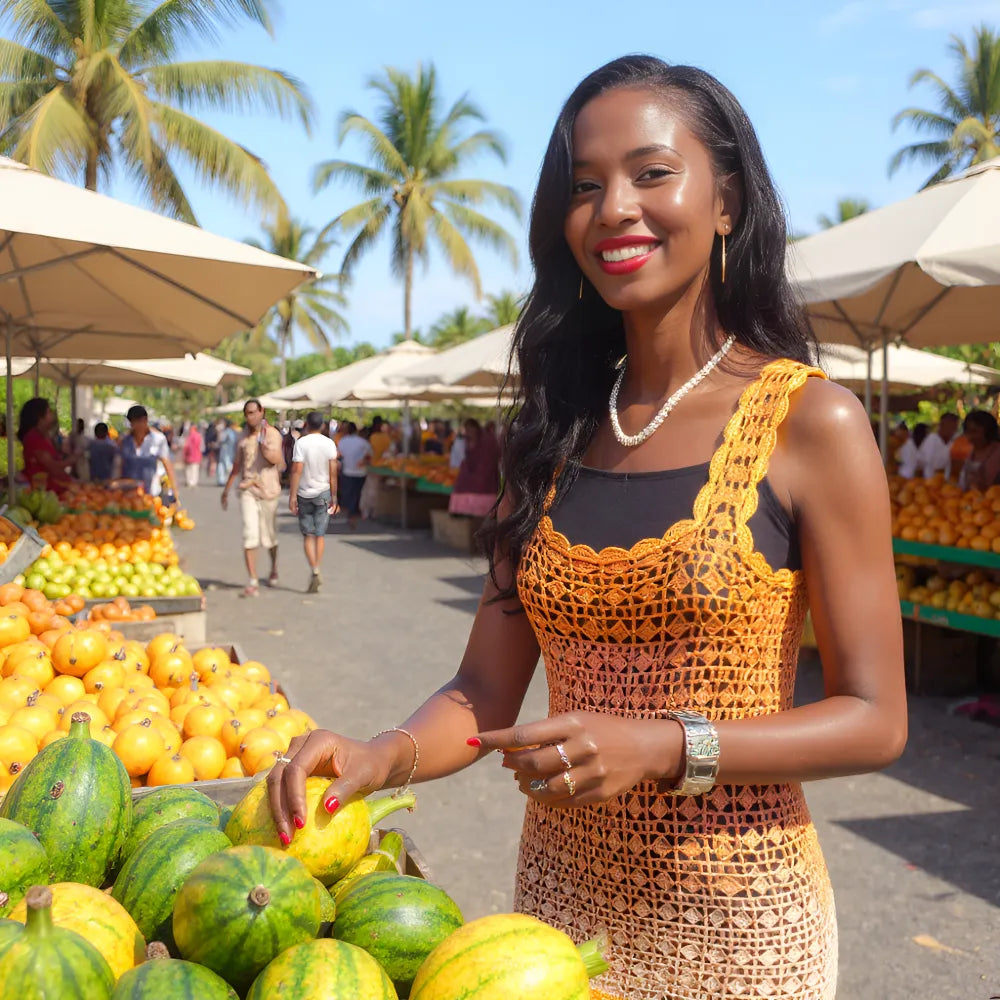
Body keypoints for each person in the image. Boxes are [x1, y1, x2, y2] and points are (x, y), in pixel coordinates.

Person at [266, 57, 906, 1000]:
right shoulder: (552, 433)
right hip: (549, 928)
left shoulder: (812, 423)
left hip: (741, 927)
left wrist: (663, 744)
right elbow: (484, 687)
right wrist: (380, 755)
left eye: (652, 173)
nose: (614, 208)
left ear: (725, 201)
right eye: (584, 186)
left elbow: (875, 719)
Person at [221, 400, 283, 597]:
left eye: (254, 413)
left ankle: (273, 567)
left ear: (261, 412)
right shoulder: (242, 437)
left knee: (269, 537)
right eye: (247, 414)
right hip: (248, 489)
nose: (251, 417)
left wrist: (264, 447)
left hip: (268, 490)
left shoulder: (272, 434)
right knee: (250, 535)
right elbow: (237, 465)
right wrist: (226, 489)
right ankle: (253, 579)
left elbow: (277, 461)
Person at [288, 411, 339, 592]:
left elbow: (296, 470)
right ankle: (318, 565)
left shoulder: (301, 443)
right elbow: (333, 472)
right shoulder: (329, 444)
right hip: (323, 492)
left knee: (308, 534)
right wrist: (334, 496)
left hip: (304, 493)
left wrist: (292, 496)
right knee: (320, 534)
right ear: (323, 425)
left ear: (307, 425)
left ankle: (314, 569)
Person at [119, 405, 179, 502]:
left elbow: (167, 463)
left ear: (145, 420)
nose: (136, 427)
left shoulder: (158, 439)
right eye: (132, 424)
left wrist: (175, 491)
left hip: (152, 493)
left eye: (139, 422)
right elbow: (120, 465)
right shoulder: (125, 441)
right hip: (129, 494)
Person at [17, 397, 75, 491]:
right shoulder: (33, 438)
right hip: (45, 493)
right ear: (40, 417)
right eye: (48, 412)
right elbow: (52, 467)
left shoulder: (45, 435)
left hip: (56, 489)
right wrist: (73, 459)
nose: (52, 415)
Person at [448, 418, 500, 517]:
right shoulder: (466, 441)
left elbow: (489, 461)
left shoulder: (487, 442)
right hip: (471, 476)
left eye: (470, 429)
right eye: (467, 430)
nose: (468, 432)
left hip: (485, 478)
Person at [335, 422, 371, 530]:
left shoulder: (342, 441)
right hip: (361, 472)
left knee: (349, 492)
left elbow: (338, 455)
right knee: (358, 492)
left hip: (347, 471)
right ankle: (354, 512)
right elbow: (369, 456)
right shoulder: (363, 442)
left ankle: (351, 512)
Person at [957, 410, 1000, 491]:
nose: (970, 437)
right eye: (967, 432)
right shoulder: (970, 452)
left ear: (988, 432)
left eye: (975, 432)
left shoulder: (997, 453)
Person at [916, 412, 958, 479]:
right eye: (951, 427)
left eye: (955, 428)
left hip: (947, 485)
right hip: (928, 482)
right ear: (941, 425)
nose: (953, 430)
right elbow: (920, 464)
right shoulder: (931, 440)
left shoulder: (953, 443)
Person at [216, 420, 236, 487]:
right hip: (226, 452)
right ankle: (222, 480)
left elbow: (221, 440)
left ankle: (225, 480)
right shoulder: (229, 431)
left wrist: (219, 432)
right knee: (224, 466)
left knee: (226, 466)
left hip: (227, 452)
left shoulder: (228, 432)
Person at [182, 423, 203, 488]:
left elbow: (186, 446)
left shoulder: (189, 436)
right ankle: (193, 481)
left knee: (189, 469)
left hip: (190, 455)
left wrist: (184, 453)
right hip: (196, 454)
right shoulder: (198, 436)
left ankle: (189, 481)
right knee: (194, 469)